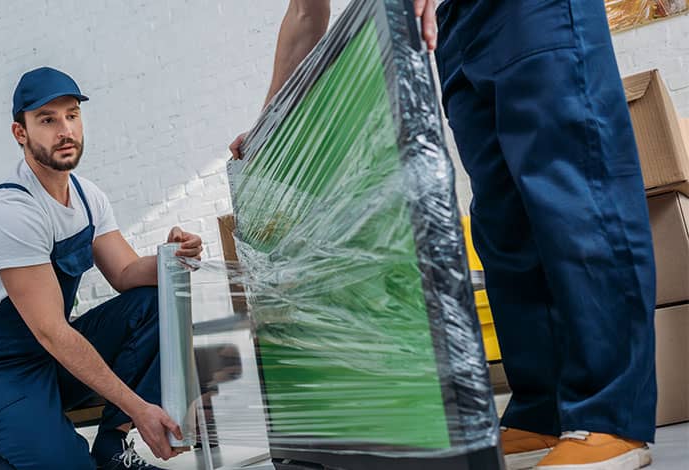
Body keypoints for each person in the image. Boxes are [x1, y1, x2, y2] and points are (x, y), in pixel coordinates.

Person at [229, 2, 657, 469]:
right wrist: (273, 116)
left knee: (575, 192)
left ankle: (611, 417)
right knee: (504, 223)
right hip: (456, 22)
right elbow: (306, 11)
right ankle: (544, 411)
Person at [0, 66, 201, 470]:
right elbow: (52, 331)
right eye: (47, 120)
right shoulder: (11, 211)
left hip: (49, 360)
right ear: (21, 133)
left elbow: (126, 273)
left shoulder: (87, 197)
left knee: (152, 303)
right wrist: (139, 408)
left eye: (71, 115)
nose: (65, 130)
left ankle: (113, 448)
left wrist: (172, 258)